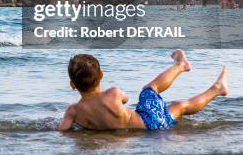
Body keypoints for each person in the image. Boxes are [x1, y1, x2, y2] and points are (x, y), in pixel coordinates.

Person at [58, 50, 229, 131]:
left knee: (179, 107)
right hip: (146, 120)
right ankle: (181, 66)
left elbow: (62, 131)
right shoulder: (113, 93)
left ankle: (217, 89)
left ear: (72, 84)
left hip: (147, 131)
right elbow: (124, 99)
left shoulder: (73, 111)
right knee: (150, 90)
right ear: (101, 75)